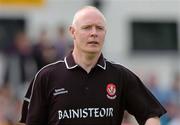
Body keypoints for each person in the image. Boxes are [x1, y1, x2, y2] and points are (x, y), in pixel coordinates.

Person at [18, 6, 166, 125]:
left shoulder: (120, 75)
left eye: (99, 28)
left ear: (105, 33)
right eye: (87, 27)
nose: (94, 33)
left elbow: (151, 114)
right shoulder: (46, 76)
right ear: (73, 32)